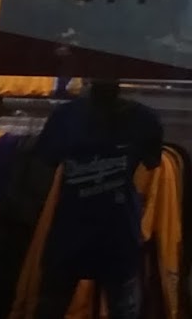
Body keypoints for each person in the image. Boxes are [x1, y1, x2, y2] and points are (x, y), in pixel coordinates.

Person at [30, 80, 163, 319]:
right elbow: (42, 167)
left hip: (112, 234)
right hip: (79, 233)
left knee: (119, 307)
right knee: (53, 305)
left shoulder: (144, 119)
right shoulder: (65, 117)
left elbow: (44, 165)